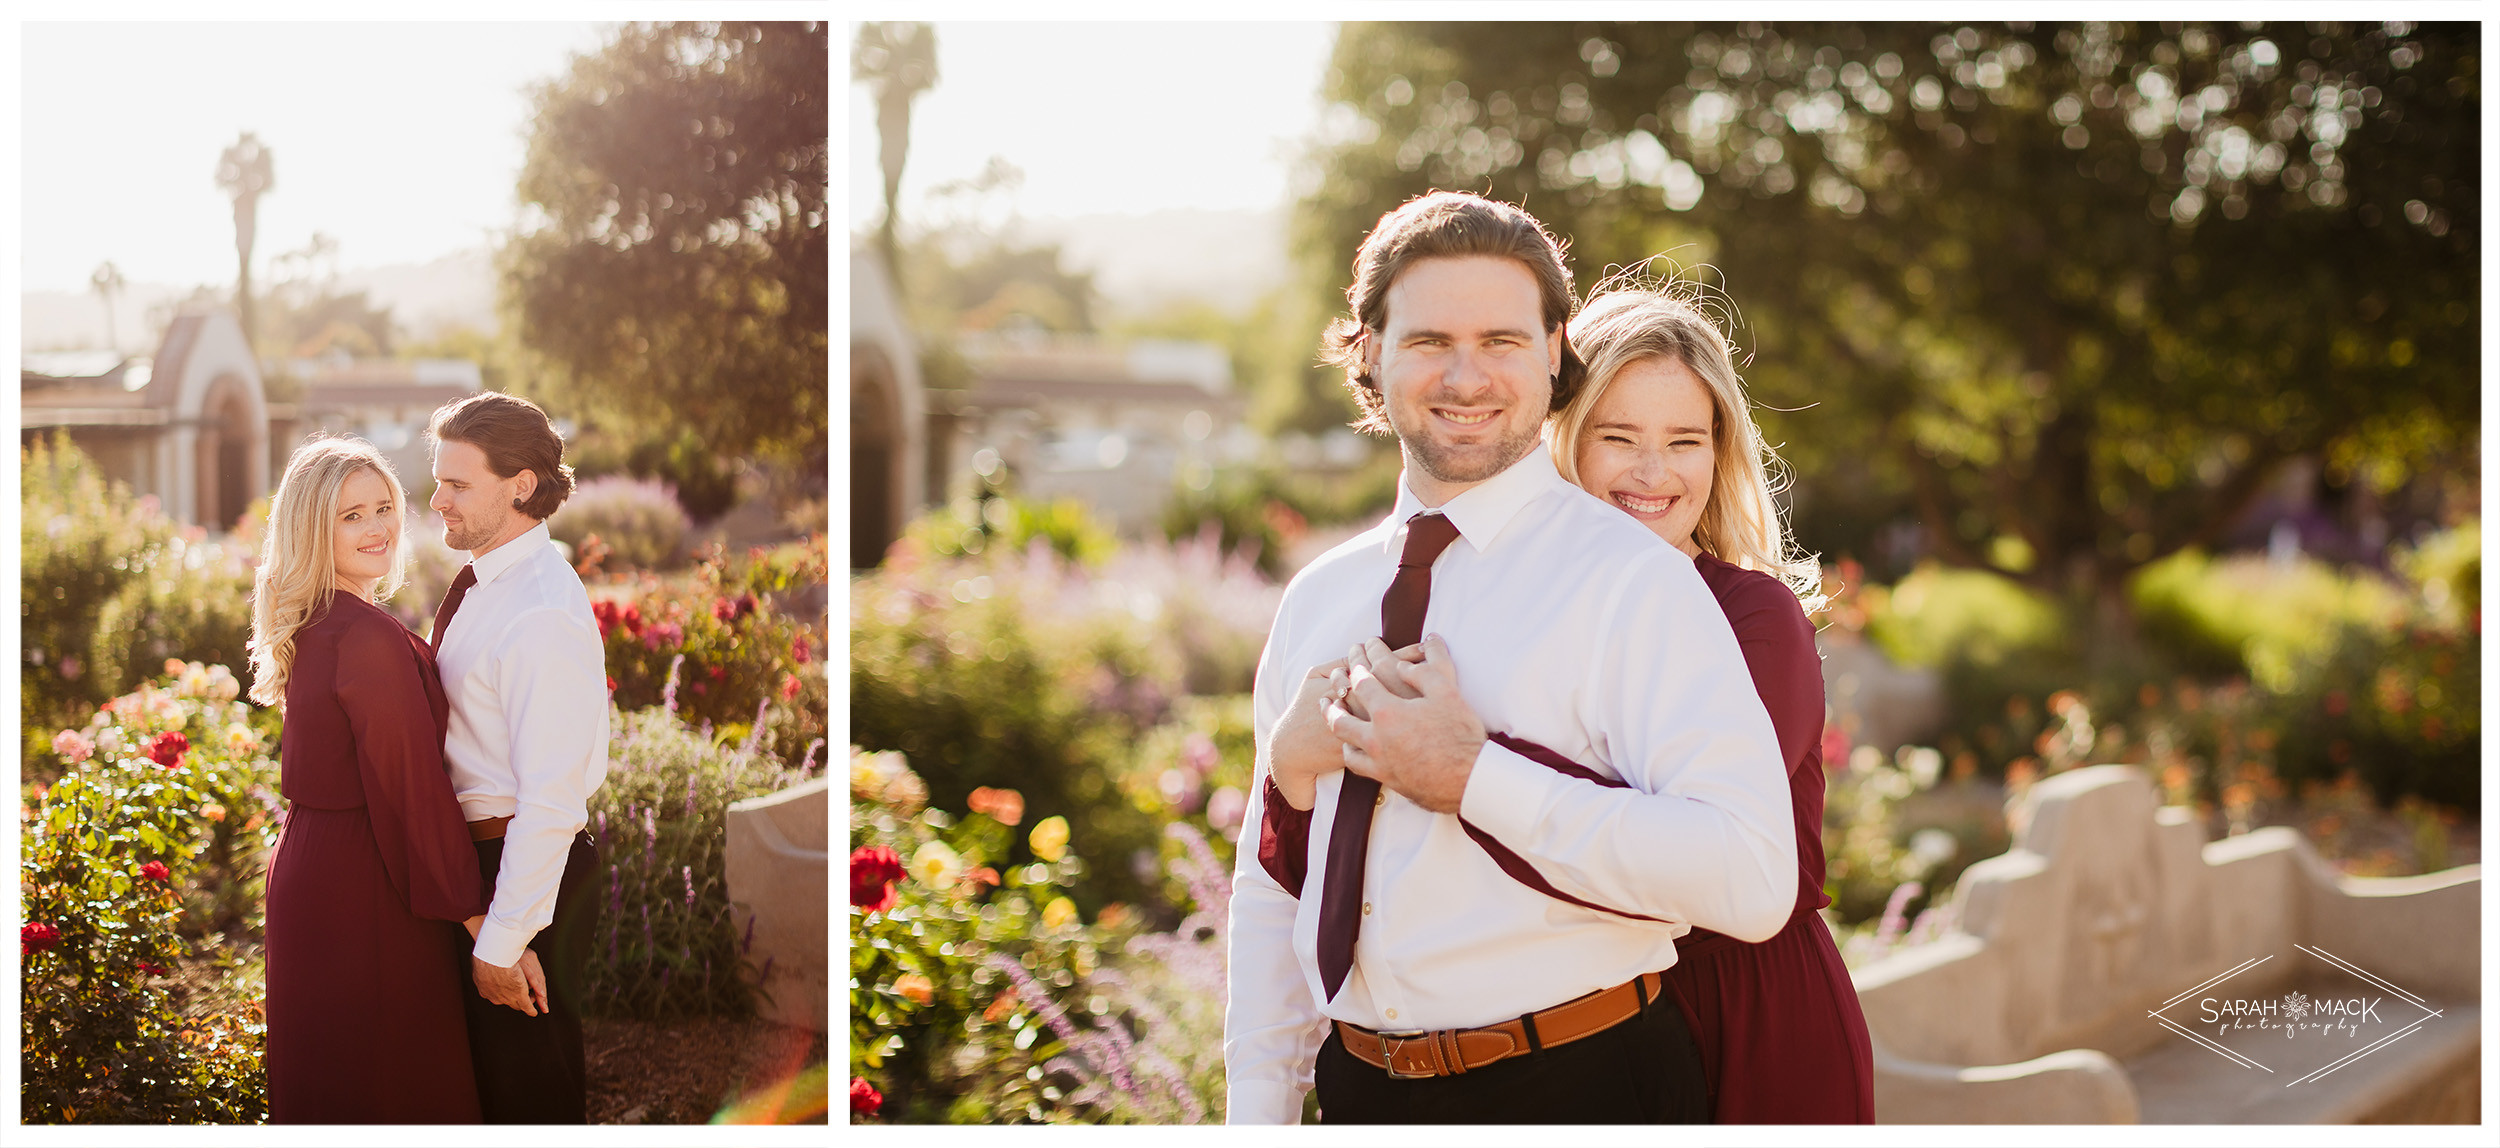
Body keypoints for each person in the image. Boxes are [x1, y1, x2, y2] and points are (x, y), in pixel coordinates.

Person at [1223, 191, 1798, 1126]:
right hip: (1360, 1096)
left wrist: (1472, 775)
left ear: (1555, 350)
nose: (1465, 375)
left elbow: (1751, 878)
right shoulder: (1318, 598)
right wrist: (1258, 1111)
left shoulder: (1636, 583)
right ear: (1369, 352)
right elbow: (1267, 881)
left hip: (1584, 1085)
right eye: (1427, 341)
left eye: (1501, 340)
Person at [252, 436, 492, 1123]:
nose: (378, 527)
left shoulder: (318, 622)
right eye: (351, 515)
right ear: (311, 528)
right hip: (367, 883)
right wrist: (480, 918)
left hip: (310, 867)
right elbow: (410, 792)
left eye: (384, 507)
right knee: (396, 1088)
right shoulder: (366, 637)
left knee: (334, 1084)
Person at [424, 392, 609, 1123]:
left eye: (458, 484)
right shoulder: (488, 582)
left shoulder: (539, 611)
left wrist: (502, 941)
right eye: (439, 481)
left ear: (522, 485)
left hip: (520, 869)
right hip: (481, 866)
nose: (437, 500)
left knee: (529, 1098)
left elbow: (553, 801)